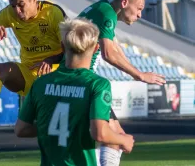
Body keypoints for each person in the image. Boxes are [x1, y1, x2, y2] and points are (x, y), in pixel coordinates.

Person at [37, 0, 166, 165]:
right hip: (83, 82)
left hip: (70, 77)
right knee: (115, 138)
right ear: (124, 3)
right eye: (138, 8)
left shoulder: (101, 8)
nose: (139, 14)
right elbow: (108, 53)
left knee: (109, 137)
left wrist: (137, 72)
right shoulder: (107, 15)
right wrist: (139, 75)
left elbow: (113, 47)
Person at [15, 18, 135, 165]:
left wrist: (55, 127)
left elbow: (21, 129)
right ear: (96, 48)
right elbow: (100, 133)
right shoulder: (97, 84)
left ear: (62, 47)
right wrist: (124, 139)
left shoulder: (40, 83)